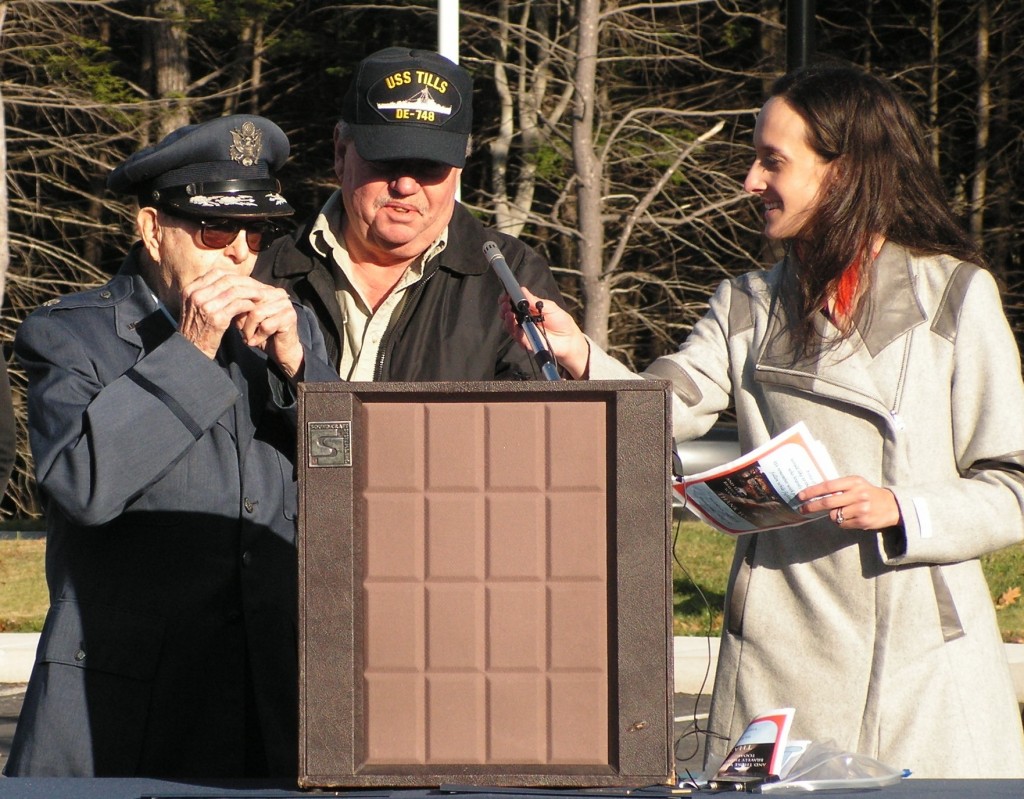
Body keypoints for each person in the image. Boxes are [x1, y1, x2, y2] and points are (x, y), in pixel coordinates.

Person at [501, 64, 1024, 778]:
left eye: (772, 161)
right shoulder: (745, 303)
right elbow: (661, 406)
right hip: (777, 672)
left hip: (924, 684)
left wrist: (901, 506)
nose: (749, 181)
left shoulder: (957, 297)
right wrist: (581, 354)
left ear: (843, 173)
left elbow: (1013, 483)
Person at [5, 115, 336, 778]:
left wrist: (310, 379)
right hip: (130, 717)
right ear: (154, 230)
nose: (240, 251)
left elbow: (361, 495)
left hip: (272, 711)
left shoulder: (289, 331)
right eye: (216, 230)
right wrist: (190, 350)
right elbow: (84, 484)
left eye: (256, 231)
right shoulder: (70, 334)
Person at [255, 46, 566, 380]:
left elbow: (537, 424)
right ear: (341, 152)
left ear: (459, 168)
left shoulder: (512, 281)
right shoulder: (263, 268)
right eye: (386, 161)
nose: (405, 185)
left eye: (429, 167)